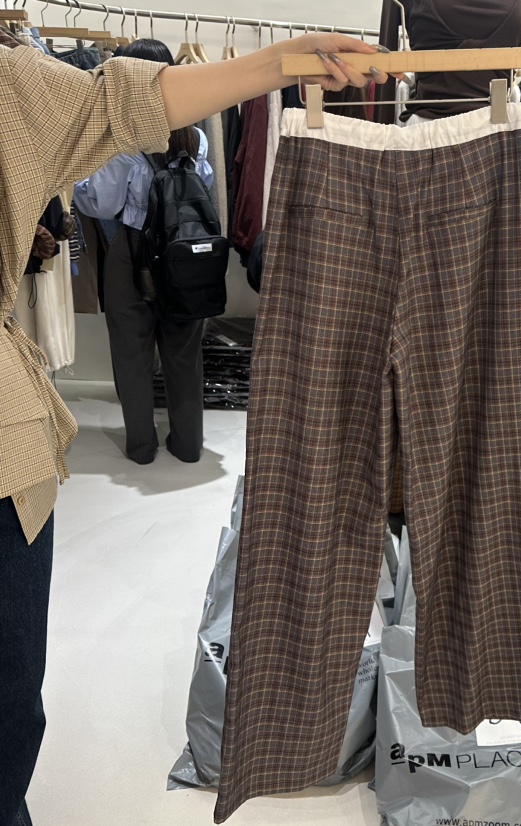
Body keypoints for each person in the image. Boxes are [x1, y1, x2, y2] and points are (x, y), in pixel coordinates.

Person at [0, 30, 392, 826]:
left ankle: (151, 445)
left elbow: (119, 110)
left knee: (6, 715)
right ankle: (168, 444)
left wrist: (280, 62)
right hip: (177, 255)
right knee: (170, 352)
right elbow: (128, 112)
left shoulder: (10, 82)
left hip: (13, 437)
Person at [74, 39, 215, 465]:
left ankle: (141, 448)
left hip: (132, 251)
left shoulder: (123, 140)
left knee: (131, 354)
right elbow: (203, 190)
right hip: (185, 255)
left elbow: (100, 204)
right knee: (184, 354)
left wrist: (77, 185)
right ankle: (188, 446)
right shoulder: (196, 136)